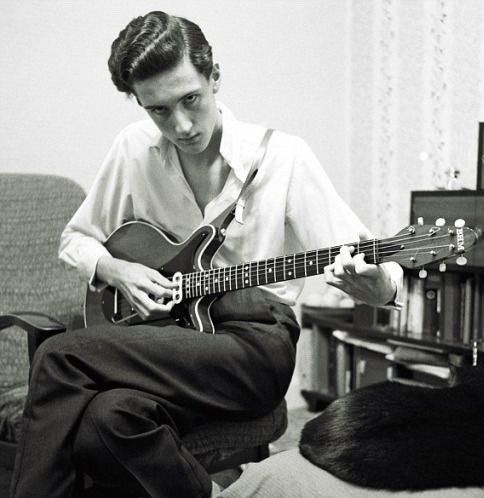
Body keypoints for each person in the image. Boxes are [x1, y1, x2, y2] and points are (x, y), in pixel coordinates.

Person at [10, 11, 402, 498]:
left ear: (214, 76)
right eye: (158, 110)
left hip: (253, 347)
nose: (180, 125)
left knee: (58, 355)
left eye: (190, 100)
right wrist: (116, 269)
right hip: (172, 341)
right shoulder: (133, 150)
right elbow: (76, 239)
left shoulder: (282, 157)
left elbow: (368, 257)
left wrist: (377, 283)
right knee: (106, 420)